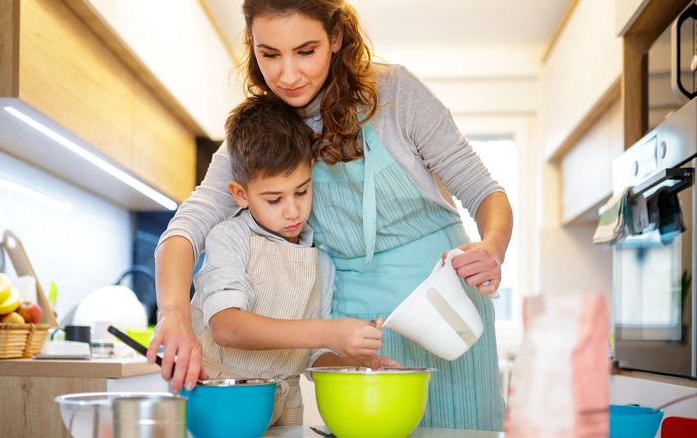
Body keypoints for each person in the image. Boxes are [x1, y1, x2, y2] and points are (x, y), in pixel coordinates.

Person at [148, 0, 513, 431]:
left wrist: (492, 248)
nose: (288, 75)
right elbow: (192, 223)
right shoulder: (263, 133)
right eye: (269, 54)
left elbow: (483, 190)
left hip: (446, 304)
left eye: (306, 51)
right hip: (348, 320)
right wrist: (172, 311)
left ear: (335, 37)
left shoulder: (394, 94)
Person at [189, 94, 392, 426]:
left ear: (311, 171)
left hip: (286, 407)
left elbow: (313, 358)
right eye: (273, 199)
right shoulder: (229, 237)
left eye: (301, 191)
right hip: (222, 400)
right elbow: (226, 327)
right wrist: (327, 332)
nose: (293, 211)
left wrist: (349, 358)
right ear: (241, 194)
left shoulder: (321, 262)